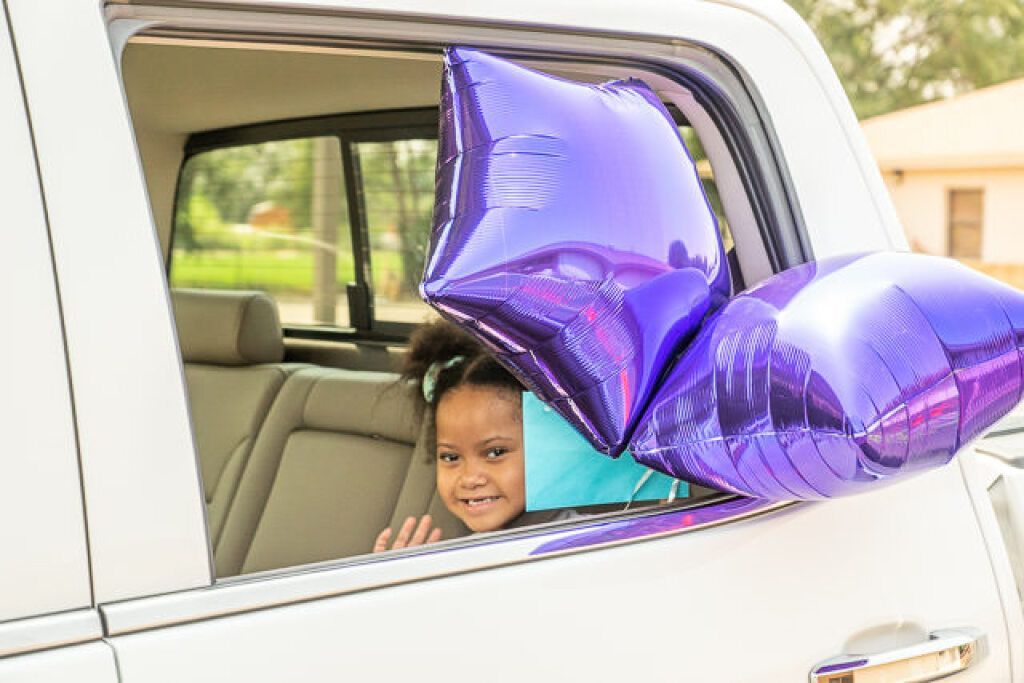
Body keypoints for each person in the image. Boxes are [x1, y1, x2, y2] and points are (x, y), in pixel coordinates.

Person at [373, 319, 535, 552]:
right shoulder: (461, 552)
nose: (469, 479)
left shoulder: (584, 543)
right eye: (450, 457)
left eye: (495, 452)